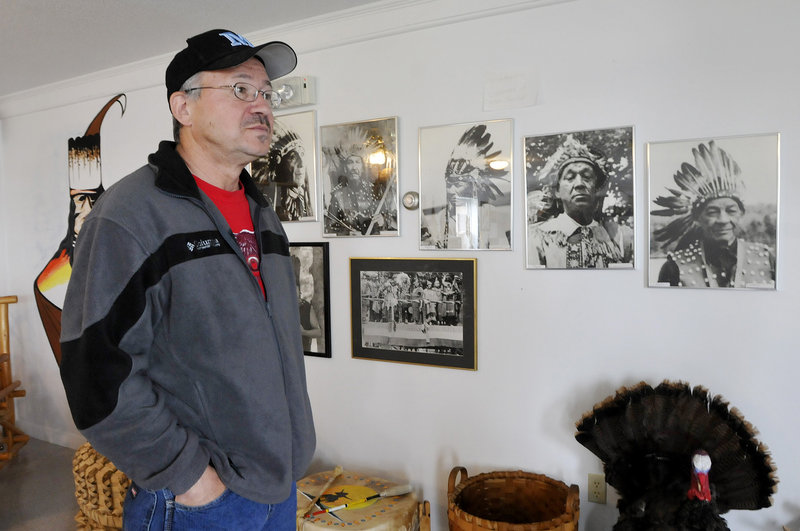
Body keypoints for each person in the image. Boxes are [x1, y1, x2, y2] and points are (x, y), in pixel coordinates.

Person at [59, 29, 316, 530]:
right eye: (241, 89)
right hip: (201, 502)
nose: (262, 105)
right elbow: (96, 373)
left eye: (267, 93)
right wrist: (191, 478)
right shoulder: (130, 216)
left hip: (279, 484)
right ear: (184, 107)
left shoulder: (263, 215)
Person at [652, 140, 775, 288]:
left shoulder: (766, 258)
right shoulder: (674, 267)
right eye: (712, 212)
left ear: (741, 213)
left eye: (731, 210)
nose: (723, 220)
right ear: (697, 218)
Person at [527, 135, 633, 268]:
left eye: (587, 177)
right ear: (556, 191)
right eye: (570, 178)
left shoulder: (620, 238)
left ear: (596, 189)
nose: (579, 184)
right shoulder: (538, 238)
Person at [326, 149, 396, 236]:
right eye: (350, 162)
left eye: (357, 162)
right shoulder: (337, 195)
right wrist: (348, 233)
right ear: (345, 168)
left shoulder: (375, 191)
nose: (354, 167)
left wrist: (384, 220)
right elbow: (330, 228)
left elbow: (392, 219)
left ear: (363, 167)